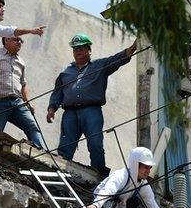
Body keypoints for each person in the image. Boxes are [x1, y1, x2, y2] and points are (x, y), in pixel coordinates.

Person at [47, 34, 136, 176]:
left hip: (91, 111)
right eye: (75, 49)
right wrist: (52, 108)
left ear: (89, 50)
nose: (78, 52)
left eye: (82, 48)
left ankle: (98, 173)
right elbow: (58, 92)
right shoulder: (66, 72)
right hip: (70, 112)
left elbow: (116, 60)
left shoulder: (99, 66)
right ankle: (61, 170)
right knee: (66, 145)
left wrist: (131, 49)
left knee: (95, 144)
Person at [86, 147, 173, 208]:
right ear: (136, 165)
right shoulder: (121, 176)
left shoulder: (143, 185)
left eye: (150, 167)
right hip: (98, 206)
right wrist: (96, 205)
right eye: (145, 167)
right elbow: (108, 190)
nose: (148, 171)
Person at [0, 36, 46, 148]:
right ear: (6, 40)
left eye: (21, 40)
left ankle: (40, 152)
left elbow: (23, 84)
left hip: (18, 102)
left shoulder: (21, 61)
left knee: (32, 126)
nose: (19, 42)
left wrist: (28, 102)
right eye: (16, 39)